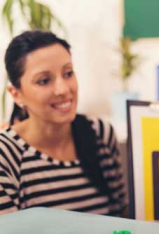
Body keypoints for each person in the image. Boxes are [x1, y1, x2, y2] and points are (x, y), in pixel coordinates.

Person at [0, 30, 127, 216]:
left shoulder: (100, 133)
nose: (63, 89)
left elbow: (122, 220)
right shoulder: (6, 155)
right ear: (16, 94)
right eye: (44, 81)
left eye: (68, 73)